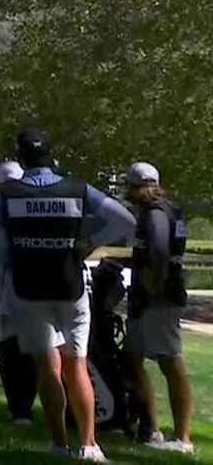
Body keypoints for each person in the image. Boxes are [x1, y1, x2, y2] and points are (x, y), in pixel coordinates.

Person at [0, 128, 135, 462]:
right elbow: (125, 221)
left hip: (29, 289)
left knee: (48, 368)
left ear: (21, 156)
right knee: (77, 366)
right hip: (70, 288)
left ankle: (59, 444)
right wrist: (89, 242)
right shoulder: (77, 188)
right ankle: (89, 444)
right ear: (50, 155)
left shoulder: (7, 193)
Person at [122, 162, 195, 456]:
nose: (127, 193)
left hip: (158, 299)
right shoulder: (169, 209)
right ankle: (151, 429)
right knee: (133, 357)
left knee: (170, 361)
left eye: (129, 187)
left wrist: (152, 287)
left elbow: (160, 253)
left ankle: (182, 438)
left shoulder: (155, 213)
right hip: (156, 297)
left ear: (137, 187)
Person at [0, 161, 38, 425]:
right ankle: (20, 407)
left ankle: (20, 408)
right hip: (7, 287)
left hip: (14, 287)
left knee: (13, 351)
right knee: (14, 351)